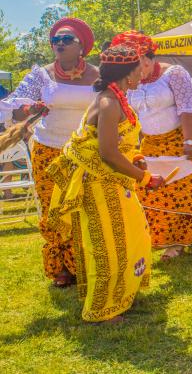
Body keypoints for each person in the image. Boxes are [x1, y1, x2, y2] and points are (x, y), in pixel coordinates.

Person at [46, 44, 164, 323]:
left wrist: (136, 157)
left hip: (114, 181)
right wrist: (145, 178)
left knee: (130, 239)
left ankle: (122, 295)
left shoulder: (117, 98)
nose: (142, 71)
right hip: (99, 184)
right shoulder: (109, 103)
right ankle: (102, 309)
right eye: (139, 66)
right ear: (128, 72)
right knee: (107, 247)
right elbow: (107, 153)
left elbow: (121, 144)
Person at [4, 17, 98, 287]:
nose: (60, 43)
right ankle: (61, 268)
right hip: (48, 150)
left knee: (83, 208)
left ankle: (84, 261)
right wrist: (30, 108)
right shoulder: (40, 75)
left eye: (67, 39)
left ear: (81, 47)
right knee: (54, 208)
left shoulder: (97, 76)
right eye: (56, 40)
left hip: (85, 151)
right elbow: (18, 104)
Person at [120, 31, 192, 261]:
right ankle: (158, 238)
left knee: (180, 191)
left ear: (147, 60)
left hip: (178, 140)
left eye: (136, 65)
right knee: (153, 192)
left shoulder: (174, 73)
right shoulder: (131, 82)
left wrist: (188, 141)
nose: (133, 71)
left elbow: (186, 108)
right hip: (149, 143)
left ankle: (178, 242)